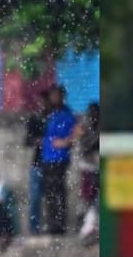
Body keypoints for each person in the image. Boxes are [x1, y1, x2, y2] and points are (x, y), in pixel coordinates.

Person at [39, 84, 76, 235]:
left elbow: (75, 134)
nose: (53, 98)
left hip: (59, 158)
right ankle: (51, 224)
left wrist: (65, 142)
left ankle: (59, 225)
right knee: (49, 193)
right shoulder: (50, 114)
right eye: (52, 95)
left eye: (56, 95)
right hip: (47, 158)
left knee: (58, 192)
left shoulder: (66, 114)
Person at [23, 91, 49, 235]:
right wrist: (38, 141)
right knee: (35, 197)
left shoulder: (54, 119)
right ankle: (35, 229)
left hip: (53, 163)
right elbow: (27, 140)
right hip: (38, 163)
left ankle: (49, 227)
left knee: (51, 198)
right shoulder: (35, 119)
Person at [76, 101, 100, 244]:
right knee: (88, 200)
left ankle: (90, 228)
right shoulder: (85, 129)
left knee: (94, 201)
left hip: (95, 169)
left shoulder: (95, 129)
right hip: (88, 168)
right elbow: (86, 147)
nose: (93, 117)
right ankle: (86, 230)